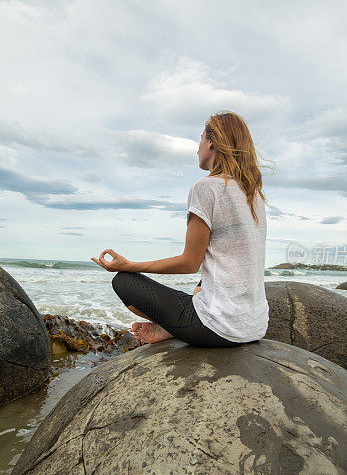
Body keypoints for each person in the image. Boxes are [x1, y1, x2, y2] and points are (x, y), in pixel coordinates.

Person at [91, 111, 274, 347]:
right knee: (206, 278)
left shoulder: (206, 188)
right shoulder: (253, 195)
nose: (197, 148)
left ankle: (172, 327)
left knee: (124, 282)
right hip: (255, 325)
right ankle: (174, 327)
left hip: (219, 328)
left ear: (210, 142)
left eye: (200, 139)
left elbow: (189, 263)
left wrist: (128, 265)